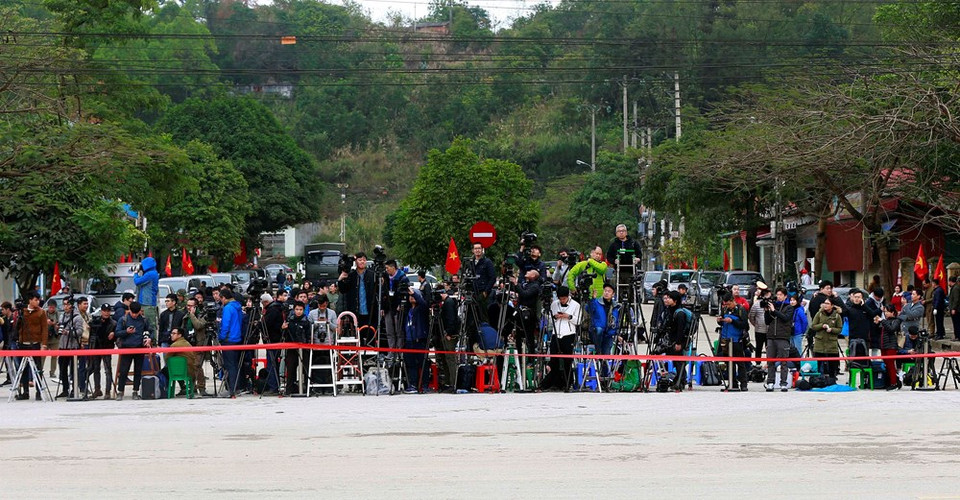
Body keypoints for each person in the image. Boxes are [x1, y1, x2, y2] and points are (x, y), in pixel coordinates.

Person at [540, 286, 581, 392]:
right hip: (556, 333)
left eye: (564, 298)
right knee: (554, 360)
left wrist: (569, 316)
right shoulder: (554, 304)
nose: (562, 300)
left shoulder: (576, 305)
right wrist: (554, 317)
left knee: (568, 360)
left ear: (568, 296)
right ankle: (554, 383)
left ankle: (568, 383)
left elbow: (579, 321)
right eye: (560, 298)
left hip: (569, 333)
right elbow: (548, 317)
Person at [337, 251, 378, 344]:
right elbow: (343, 290)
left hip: (370, 311)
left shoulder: (372, 275)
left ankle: (370, 355)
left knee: (370, 334)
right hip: (355, 312)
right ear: (356, 262)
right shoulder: (351, 275)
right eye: (360, 260)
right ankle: (358, 356)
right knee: (357, 335)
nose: (362, 262)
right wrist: (340, 279)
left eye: (364, 260)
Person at [114, 302, 151, 401]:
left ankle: (135, 391)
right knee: (123, 371)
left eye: (136, 313)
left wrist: (148, 338)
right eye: (133, 313)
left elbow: (148, 331)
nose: (134, 315)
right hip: (126, 348)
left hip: (139, 348)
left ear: (139, 311)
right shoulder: (123, 319)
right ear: (129, 310)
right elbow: (117, 333)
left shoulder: (144, 320)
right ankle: (120, 391)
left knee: (138, 371)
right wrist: (126, 331)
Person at [15, 293, 48, 400]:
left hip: (35, 343)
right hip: (23, 343)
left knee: (38, 368)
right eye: (35, 300)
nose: (37, 302)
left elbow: (44, 329)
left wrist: (44, 344)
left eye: (38, 300)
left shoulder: (41, 312)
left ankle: (39, 391)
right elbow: (17, 327)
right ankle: (25, 392)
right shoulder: (22, 312)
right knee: (23, 369)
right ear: (30, 300)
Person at [763, 287, 795, 392]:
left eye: (781, 295)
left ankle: (783, 383)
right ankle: (770, 382)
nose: (779, 297)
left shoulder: (789, 307)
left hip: (783, 337)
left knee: (783, 362)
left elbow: (785, 318)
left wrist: (774, 311)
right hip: (771, 336)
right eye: (777, 294)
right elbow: (767, 321)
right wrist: (767, 311)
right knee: (770, 361)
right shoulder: (773, 305)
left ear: (785, 296)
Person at [55, 297, 87, 398]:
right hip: (63, 345)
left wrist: (68, 332)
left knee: (73, 370)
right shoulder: (62, 316)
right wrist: (57, 329)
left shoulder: (77, 317)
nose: (65, 307)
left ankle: (74, 389)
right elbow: (59, 330)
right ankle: (65, 389)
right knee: (62, 369)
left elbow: (80, 331)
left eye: (67, 304)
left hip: (73, 346)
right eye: (64, 304)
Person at [717, 293, 750, 391]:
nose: (726, 306)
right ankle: (732, 382)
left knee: (740, 362)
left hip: (736, 340)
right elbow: (722, 322)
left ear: (732, 301)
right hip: (726, 340)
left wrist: (732, 321)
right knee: (728, 363)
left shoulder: (741, 310)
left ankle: (743, 383)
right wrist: (720, 321)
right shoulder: (725, 310)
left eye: (728, 304)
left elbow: (745, 325)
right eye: (725, 305)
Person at [661, 290, 692, 391]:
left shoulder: (680, 313)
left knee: (679, 362)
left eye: (669, 298)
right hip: (672, 340)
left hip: (678, 341)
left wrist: (678, 343)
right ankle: (679, 379)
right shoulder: (671, 310)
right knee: (676, 361)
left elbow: (680, 330)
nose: (667, 300)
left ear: (675, 300)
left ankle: (681, 381)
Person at [588, 283, 620, 378]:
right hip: (596, 332)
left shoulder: (616, 306)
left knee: (606, 356)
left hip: (608, 334)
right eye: (605, 291)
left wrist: (617, 333)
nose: (606, 293)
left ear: (613, 294)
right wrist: (593, 299)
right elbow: (589, 309)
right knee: (598, 330)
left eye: (609, 291)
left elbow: (616, 321)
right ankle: (598, 351)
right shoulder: (597, 302)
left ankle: (604, 377)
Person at [403, 289, 431, 393]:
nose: (411, 297)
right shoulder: (407, 309)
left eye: (414, 296)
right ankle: (413, 385)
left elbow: (423, 303)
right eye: (410, 296)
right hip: (409, 340)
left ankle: (425, 385)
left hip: (419, 340)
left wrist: (414, 293)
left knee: (422, 363)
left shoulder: (422, 308)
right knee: (411, 364)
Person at [510, 269, 542, 356]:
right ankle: (519, 355)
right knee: (518, 334)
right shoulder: (525, 283)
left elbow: (525, 294)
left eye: (530, 272)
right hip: (520, 312)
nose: (527, 272)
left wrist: (517, 284)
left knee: (529, 336)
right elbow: (518, 290)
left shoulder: (535, 286)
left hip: (529, 314)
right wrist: (513, 283)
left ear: (533, 276)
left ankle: (531, 357)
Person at [282, 301, 311, 395]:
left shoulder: (306, 322)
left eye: (301, 309)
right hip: (291, 348)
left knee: (305, 369)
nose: (298, 311)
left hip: (304, 348)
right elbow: (284, 335)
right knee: (290, 369)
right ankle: (289, 389)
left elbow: (308, 335)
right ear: (294, 310)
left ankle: (307, 388)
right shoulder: (289, 321)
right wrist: (283, 328)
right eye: (297, 309)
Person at [181, 297, 209, 396]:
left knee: (197, 365)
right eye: (187, 305)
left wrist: (192, 315)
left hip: (199, 344)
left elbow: (198, 325)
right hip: (188, 344)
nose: (188, 307)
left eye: (190, 306)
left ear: (195, 307)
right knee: (190, 366)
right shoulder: (185, 316)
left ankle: (201, 387)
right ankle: (192, 387)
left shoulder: (202, 315)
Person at [87, 304, 115, 400]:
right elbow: (91, 335)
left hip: (107, 347)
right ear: (101, 311)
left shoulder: (113, 323)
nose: (106, 313)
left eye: (108, 311)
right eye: (104, 311)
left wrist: (113, 334)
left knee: (108, 370)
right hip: (96, 347)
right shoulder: (96, 322)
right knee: (96, 369)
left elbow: (117, 335)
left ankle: (108, 391)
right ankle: (97, 389)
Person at [218, 289, 243, 398]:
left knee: (230, 365)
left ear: (224, 297)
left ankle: (231, 389)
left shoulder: (228, 308)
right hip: (237, 338)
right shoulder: (238, 307)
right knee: (235, 365)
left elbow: (225, 324)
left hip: (228, 339)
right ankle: (235, 387)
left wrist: (221, 337)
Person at [381, 260, 410, 355]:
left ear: (393, 267)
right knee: (389, 330)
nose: (386, 270)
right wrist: (382, 307)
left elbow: (405, 293)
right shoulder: (385, 277)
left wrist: (401, 304)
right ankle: (391, 350)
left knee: (399, 331)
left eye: (387, 268)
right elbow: (383, 292)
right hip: (388, 307)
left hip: (398, 308)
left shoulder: (402, 278)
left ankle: (399, 351)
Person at [435, 286, 460, 391]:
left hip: (450, 335)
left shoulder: (449, 303)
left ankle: (453, 383)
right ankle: (448, 382)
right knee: (446, 358)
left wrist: (449, 332)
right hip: (446, 334)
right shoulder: (448, 302)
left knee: (450, 358)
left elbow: (451, 319)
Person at [810, 299, 843, 378]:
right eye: (824, 303)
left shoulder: (837, 316)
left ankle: (832, 378)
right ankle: (818, 378)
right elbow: (813, 326)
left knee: (832, 363)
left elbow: (839, 329)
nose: (825, 305)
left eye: (828, 303)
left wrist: (832, 329)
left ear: (832, 305)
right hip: (819, 342)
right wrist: (822, 325)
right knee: (818, 362)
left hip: (831, 343)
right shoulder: (819, 314)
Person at [261, 292, 285, 396]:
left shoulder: (272, 310)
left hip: (272, 340)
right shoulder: (277, 308)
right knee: (273, 363)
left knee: (271, 363)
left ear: (266, 302)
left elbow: (265, 325)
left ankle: (273, 386)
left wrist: (259, 323)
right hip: (275, 339)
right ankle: (274, 385)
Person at [134, 257, 160, 343]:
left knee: (150, 324)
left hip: (148, 303)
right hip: (145, 302)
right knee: (143, 324)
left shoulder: (151, 274)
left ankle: (153, 342)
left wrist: (135, 273)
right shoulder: (151, 273)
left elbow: (137, 282)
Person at [879, 304, 902, 390]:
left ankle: (894, 383)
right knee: (886, 364)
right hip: (883, 345)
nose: (886, 313)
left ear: (893, 312)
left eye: (887, 312)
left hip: (891, 345)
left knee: (891, 364)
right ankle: (891, 381)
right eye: (885, 312)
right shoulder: (885, 321)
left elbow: (892, 329)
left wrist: (883, 321)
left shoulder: (896, 321)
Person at [747, 285, 771, 363]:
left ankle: (769, 363)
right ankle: (758, 363)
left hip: (770, 331)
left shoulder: (772, 304)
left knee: (770, 348)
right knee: (759, 347)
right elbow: (751, 316)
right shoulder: (757, 304)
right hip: (759, 330)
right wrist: (756, 324)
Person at [44, 299, 59, 379]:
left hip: (55, 338)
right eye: (50, 307)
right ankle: (40, 370)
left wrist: (55, 324)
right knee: (42, 355)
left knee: (54, 356)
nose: (51, 309)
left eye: (53, 308)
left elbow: (60, 323)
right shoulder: (44, 313)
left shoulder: (58, 314)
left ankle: (52, 372)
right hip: (45, 337)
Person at [949, 276, 960, 341]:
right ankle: (957, 335)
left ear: (950, 281)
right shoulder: (954, 288)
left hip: (956, 309)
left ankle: (958, 336)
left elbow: (956, 299)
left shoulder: (955, 288)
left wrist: (954, 308)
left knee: (957, 323)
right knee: (955, 323)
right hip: (955, 308)